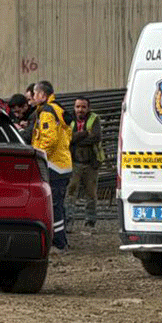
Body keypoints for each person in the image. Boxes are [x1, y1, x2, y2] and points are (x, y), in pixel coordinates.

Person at [30, 81, 72, 249]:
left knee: (54, 206)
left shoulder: (47, 112)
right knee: (58, 205)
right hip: (63, 163)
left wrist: (36, 153)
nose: (33, 97)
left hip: (53, 165)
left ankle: (59, 243)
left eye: (35, 93)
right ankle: (61, 241)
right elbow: (67, 134)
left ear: (42, 95)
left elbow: (49, 140)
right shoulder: (58, 109)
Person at [66, 96, 103, 229]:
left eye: (83, 107)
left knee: (91, 194)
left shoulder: (94, 119)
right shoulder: (69, 120)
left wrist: (76, 139)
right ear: (74, 107)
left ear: (88, 108)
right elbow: (67, 139)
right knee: (70, 193)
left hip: (91, 162)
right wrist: (85, 134)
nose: (80, 109)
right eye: (77, 107)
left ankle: (90, 222)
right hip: (74, 162)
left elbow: (96, 137)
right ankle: (68, 222)